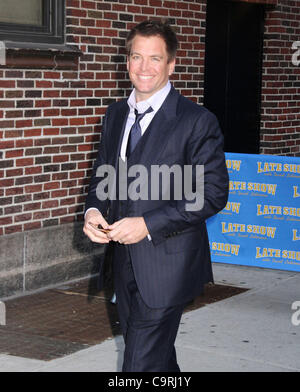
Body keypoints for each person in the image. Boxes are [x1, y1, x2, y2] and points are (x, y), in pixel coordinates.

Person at [83, 20, 229, 372]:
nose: (144, 68)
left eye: (155, 58)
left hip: (168, 264)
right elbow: (104, 173)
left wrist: (148, 223)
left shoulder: (196, 121)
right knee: (156, 359)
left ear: (171, 64)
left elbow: (211, 193)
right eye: (136, 57)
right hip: (122, 262)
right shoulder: (115, 114)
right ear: (127, 61)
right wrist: (92, 210)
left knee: (138, 364)